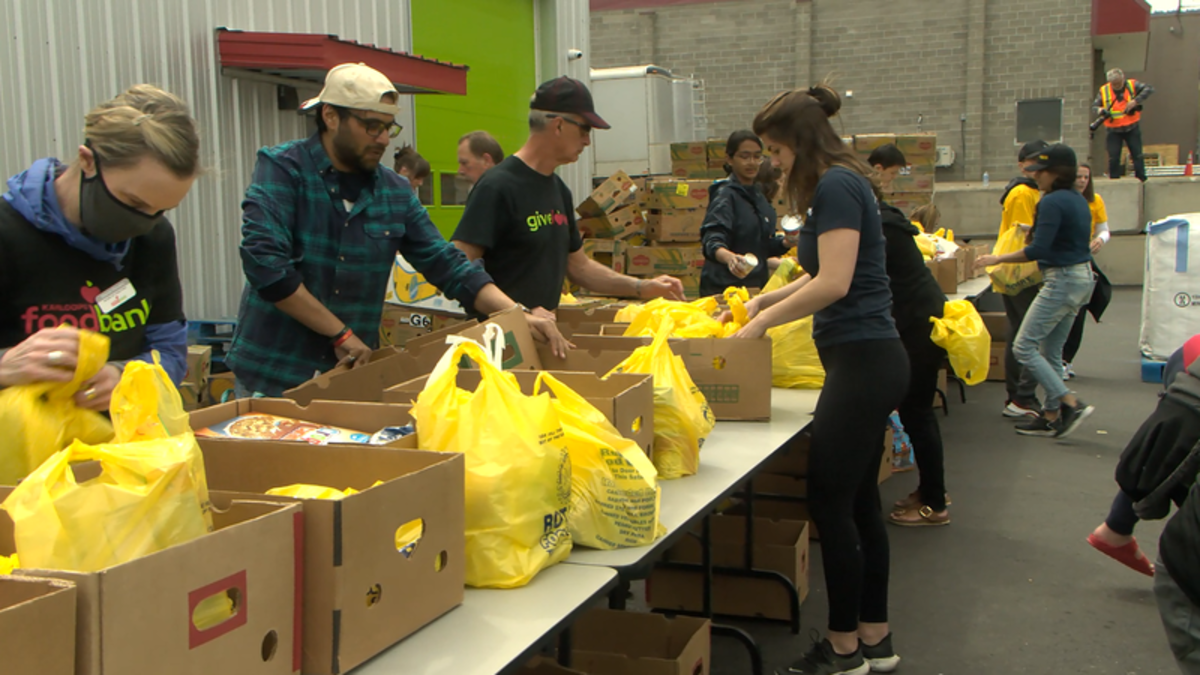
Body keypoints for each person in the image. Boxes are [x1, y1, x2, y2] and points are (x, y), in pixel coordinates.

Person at [227, 63, 568, 397]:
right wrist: (340, 335)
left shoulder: (393, 191)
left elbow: (448, 263)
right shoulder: (284, 169)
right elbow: (267, 267)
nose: (383, 140)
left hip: (348, 379)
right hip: (272, 376)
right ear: (331, 117)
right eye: (372, 126)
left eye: (389, 128)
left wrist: (517, 314)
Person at [730, 85, 909, 675]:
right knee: (857, 504)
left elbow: (833, 284)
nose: (775, 165)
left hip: (862, 360)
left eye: (777, 153)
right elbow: (820, 271)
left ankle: (842, 648)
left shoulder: (834, 184)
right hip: (867, 358)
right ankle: (873, 638)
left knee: (829, 502)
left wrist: (762, 327)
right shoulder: (847, 180)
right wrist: (763, 303)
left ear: (798, 144)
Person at [0, 84, 199, 411]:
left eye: (160, 210)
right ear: (87, 161)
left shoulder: (153, 238)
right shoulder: (9, 235)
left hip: (115, 444)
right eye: (132, 202)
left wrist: (126, 376)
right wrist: (5, 365)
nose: (142, 222)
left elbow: (169, 348)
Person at [452, 77, 684, 316]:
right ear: (559, 125)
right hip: (498, 342)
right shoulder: (497, 187)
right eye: (585, 129)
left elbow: (579, 267)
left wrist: (643, 287)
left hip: (541, 337)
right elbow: (460, 265)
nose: (587, 141)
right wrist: (519, 313)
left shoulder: (559, 190)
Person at [977, 144, 1096, 438]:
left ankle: (1070, 402)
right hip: (1082, 278)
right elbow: (1063, 237)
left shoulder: (1051, 202)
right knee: (1052, 351)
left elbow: (1038, 250)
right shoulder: (1077, 199)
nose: (1036, 177)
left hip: (1061, 279)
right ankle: (1052, 414)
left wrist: (997, 258)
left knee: (1023, 345)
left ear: (1056, 173)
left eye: (1040, 172)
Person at [867, 145, 951, 527]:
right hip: (920, 320)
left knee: (917, 412)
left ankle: (935, 503)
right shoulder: (884, 219)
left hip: (917, 325)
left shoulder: (877, 227)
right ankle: (933, 491)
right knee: (916, 412)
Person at [1088, 334, 1200, 578]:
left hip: (1188, 360)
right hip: (1192, 374)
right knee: (1178, 455)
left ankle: (1117, 526)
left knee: (1170, 448)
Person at [699, 130, 791, 297]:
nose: (752, 162)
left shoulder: (758, 196)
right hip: (725, 290)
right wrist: (730, 258)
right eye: (744, 156)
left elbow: (761, 246)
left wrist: (785, 242)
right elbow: (712, 240)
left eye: (757, 157)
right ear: (729, 159)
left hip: (754, 287)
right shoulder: (725, 195)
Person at [996, 140, 1049, 420]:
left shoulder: (1032, 192)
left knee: (1022, 331)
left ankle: (1020, 396)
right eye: (1033, 162)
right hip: (1021, 273)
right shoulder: (1021, 193)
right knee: (1023, 333)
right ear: (1022, 165)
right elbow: (1021, 237)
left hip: (1026, 270)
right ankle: (1018, 397)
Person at [1061, 163, 1113, 378]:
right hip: (1064, 259)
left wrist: (1100, 240)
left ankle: (1066, 360)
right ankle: (1056, 358)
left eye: (1086, 177)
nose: (1082, 181)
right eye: (1079, 177)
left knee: (1079, 311)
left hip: (1084, 259)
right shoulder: (1061, 200)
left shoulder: (1095, 201)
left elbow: (1104, 229)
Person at [1094, 68, 1154, 182]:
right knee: (1114, 157)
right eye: (1114, 84)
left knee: (1137, 155)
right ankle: (1114, 180)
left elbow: (1149, 88)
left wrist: (1135, 101)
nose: (1116, 86)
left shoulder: (1132, 85)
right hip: (1113, 130)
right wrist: (1101, 110)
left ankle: (1141, 179)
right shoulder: (1104, 90)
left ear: (1123, 79)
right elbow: (1095, 106)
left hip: (1131, 127)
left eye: (1118, 83)